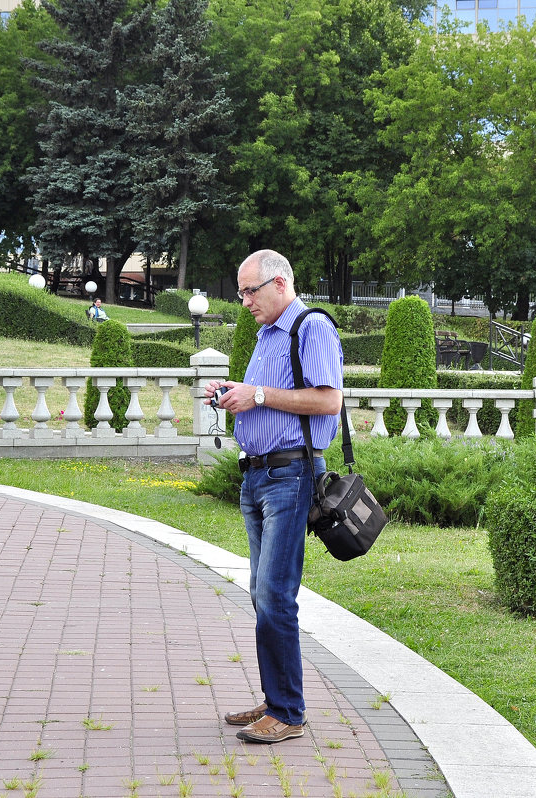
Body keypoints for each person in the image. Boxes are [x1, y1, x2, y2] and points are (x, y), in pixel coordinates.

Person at [206, 249, 344, 744]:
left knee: (276, 595)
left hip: (292, 475)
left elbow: (329, 400)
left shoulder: (311, 327)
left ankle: (289, 713)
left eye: (250, 290)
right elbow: (263, 394)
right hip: (257, 477)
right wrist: (234, 394)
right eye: (241, 291)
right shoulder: (268, 334)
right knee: (262, 594)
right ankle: (274, 699)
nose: (243, 300)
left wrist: (257, 395)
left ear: (280, 283)